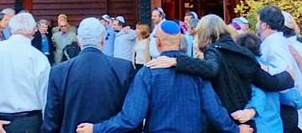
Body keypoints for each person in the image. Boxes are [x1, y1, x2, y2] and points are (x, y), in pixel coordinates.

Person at [76, 20, 252, 133]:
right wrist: (236, 130)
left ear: (158, 42)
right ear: (180, 41)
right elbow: (214, 111)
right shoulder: (196, 71)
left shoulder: (148, 72)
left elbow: (131, 118)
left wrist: (96, 128)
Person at [147, 14, 294, 133]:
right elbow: (267, 82)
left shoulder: (215, 51)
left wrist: (176, 62)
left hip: (224, 121)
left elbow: (211, 68)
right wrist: (288, 77)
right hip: (244, 121)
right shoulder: (243, 52)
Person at [41, 17, 136, 133]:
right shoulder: (123, 68)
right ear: (102, 41)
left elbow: (51, 118)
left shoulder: (59, 71)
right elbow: (132, 115)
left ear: (79, 41)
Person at [257, 6, 302, 133]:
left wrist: (264, 69)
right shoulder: (277, 42)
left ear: (264, 25)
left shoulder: (273, 45)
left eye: (258, 21)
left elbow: (285, 73)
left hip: (284, 105)